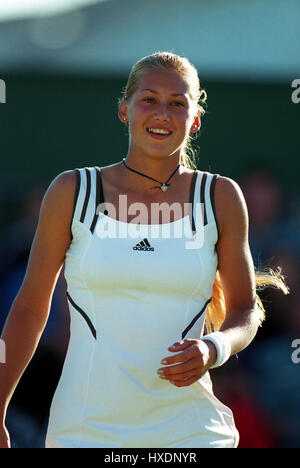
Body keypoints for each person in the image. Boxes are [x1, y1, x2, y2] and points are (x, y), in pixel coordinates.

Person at [0, 51, 289, 449]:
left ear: (195, 119)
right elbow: (31, 307)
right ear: (124, 109)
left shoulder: (221, 196)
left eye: (177, 104)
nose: (162, 114)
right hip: (84, 430)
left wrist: (213, 347)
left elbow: (245, 308)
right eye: (149, 99)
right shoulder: (71, 190)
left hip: (193, 433)